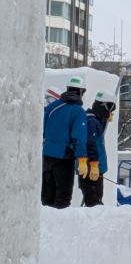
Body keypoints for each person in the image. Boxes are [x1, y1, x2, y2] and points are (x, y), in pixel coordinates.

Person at [42, 74, 88, 208]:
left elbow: (44, 130)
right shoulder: (78, 112)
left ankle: (45, 225)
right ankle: (58, 227)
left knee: (47, 196)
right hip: (64, 158)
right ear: (81, 92)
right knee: (62, 197)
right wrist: (82, 159)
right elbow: (79, 137)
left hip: (47, 156)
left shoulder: (52, 107)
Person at [79, 90, 116, 207]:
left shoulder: (95, 120)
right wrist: (94, 165)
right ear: (102, 106)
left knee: (97, 200)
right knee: (94, 203)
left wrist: (105, 120)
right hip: (90, 168)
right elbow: (90, 144)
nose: (110, 112)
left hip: (96, 169)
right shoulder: (91, 121)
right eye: (109, 108)